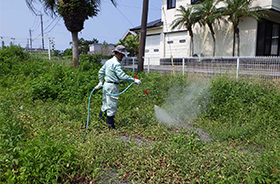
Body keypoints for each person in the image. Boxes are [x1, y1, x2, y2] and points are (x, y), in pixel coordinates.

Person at [95, 45, 141, 129]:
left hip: (106, 85)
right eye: (123, 55)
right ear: (119, 54)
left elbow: (100, 72)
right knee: (112, 105)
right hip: (112, 86)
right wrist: (133, 80)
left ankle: (100, 121)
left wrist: (100, 81)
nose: (123, 57)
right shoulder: (116, 64)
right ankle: (111, 126)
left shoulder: (108, 61)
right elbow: (122, 76)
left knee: (105, 103)